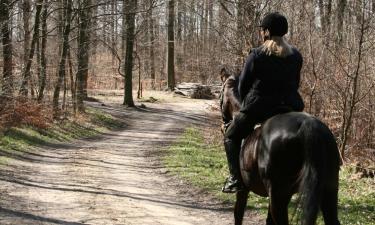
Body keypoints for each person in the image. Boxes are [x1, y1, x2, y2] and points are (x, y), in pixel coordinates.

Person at [222, 12, 305, 193]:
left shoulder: (257, 54)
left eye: (262, 30)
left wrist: (246, 104)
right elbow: (295, 84)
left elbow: (243, 85)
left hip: (259, 108)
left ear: (266, 32)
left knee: (230, 136)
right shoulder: (296, 56)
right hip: (290, 108)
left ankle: (235, 178)